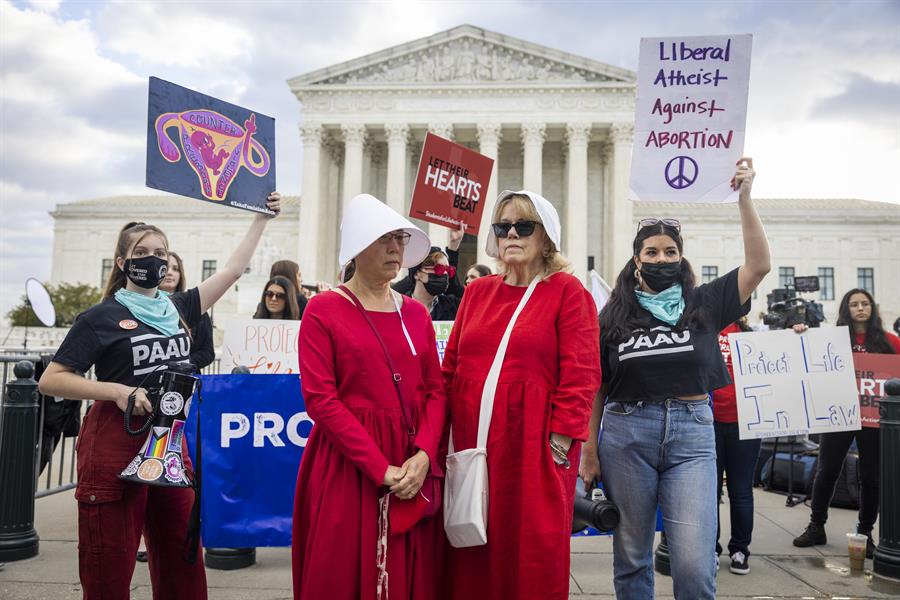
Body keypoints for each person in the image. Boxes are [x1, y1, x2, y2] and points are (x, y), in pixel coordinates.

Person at [37, 193, 281, 599]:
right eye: (142, 252)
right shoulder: (101, 316)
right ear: (122, 263)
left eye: (161, 252)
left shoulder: (181, 306)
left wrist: (261, 217)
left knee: (181, 559)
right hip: (116, 439)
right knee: (109, 564)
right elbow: (52, 379)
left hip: (170, 442)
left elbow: (234, 270)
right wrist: (115, 391)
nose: (154, 259)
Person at [579, 158, 769, 600]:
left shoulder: (705, 302)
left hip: (692, 433)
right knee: (631, 557)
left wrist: (745, 198)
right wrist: (589, 449)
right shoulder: (613, 316)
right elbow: (597, 387)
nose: (661, 258)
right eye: (652, 252)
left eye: (670, 252)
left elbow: (758, 265)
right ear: (637, 260)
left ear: (681, 258)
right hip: (627, 432)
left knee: (694, 563)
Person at [441, 190, 601, 600]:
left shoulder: (568, 292)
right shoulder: (478, 293)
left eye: (523, 226)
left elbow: (581, 375)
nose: (510, 234)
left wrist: (561, 442)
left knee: (531, 553)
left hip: (534, 446)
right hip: (472, 443)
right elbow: (451, 367)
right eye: (502, 226)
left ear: (546, 238)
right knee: (469, 546)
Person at [292, 193, 446, 600]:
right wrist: (380, 468)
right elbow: (321, 400)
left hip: (412, 461)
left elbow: (435, 390)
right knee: (342, 571)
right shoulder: (323, 310)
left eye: (400, 239)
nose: (397, 249)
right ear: (359, 246)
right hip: (348, 465)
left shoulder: (415, 312)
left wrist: (425, 454)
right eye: (386, 239)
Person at [793, 288, 900, 557]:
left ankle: (865, 533)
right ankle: (816, 525)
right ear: (846, 309)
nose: (860, 308)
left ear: (872, 308)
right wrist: (800, 333)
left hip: (873, 418)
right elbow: (804, 353)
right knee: (827, 469)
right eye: (854, 304)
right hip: (838, 413)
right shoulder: (832, 339)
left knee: (870, 476)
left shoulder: (889, 342)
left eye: (865, 304)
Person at [713, 316, 759, 575]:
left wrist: (797, 332)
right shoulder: (705, 327)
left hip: (746, 424)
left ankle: (740, 549)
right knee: (710, 490)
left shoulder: (752, 333)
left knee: (741, 492)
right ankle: (711, 548)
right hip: (709, 423)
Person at [394, 224, 465, 321]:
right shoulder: (397, 306)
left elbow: (458, 292)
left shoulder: (453, 307)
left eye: (448, 271)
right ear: (417, 273)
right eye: (438, 269)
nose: (444, 274)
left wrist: (454, 245)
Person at [161, 251, 215, 371]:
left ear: (181, 275)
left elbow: (208, 353)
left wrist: (180, 364)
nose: (170, 272)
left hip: (186, 380)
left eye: (175, 269)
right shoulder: (142, 308)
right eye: (166, 268)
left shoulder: (197, 308)